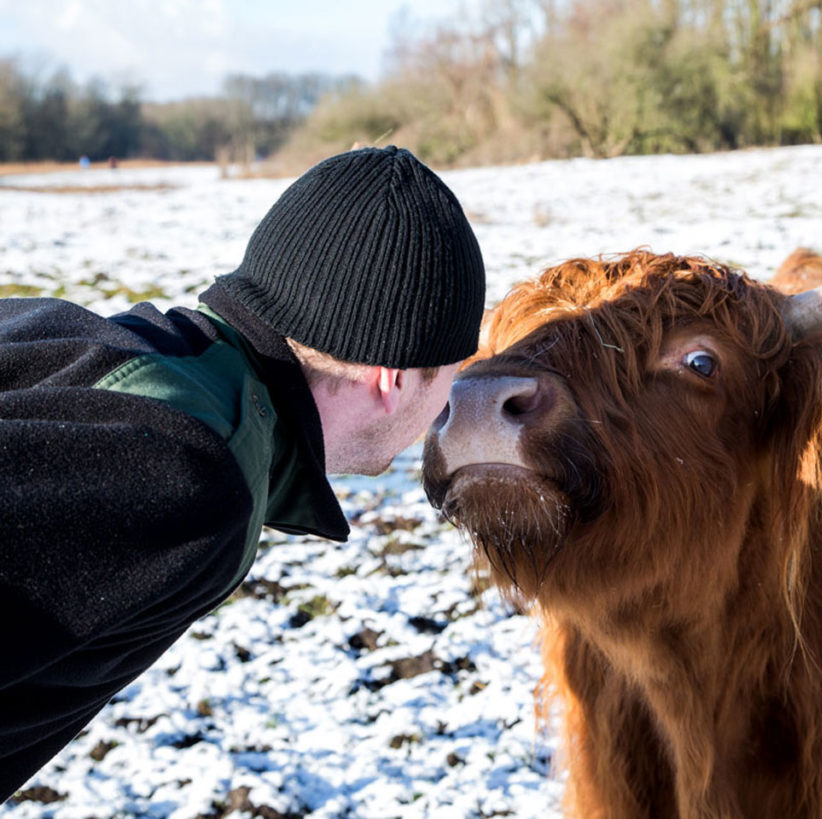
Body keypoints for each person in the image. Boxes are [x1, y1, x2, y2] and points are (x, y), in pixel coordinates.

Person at [0, 146, 486, 800]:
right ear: (394, 378)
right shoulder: (190, 472)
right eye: (454, 371)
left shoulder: (65, 331)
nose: (449, 403)